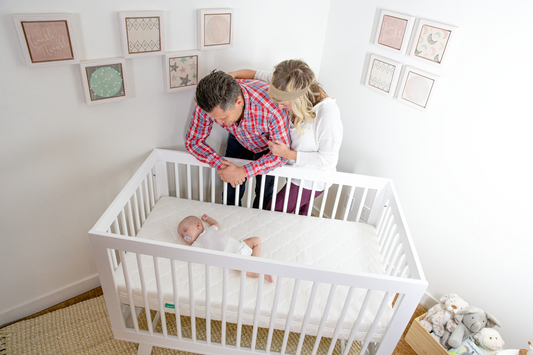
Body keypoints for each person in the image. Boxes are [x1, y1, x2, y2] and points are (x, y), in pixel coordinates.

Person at [229, 60, 343, 215]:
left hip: (312, 179)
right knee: (298, 218)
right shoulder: (284, 83)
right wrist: (231, 76)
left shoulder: (327, 114)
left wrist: (287, 154)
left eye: (283, 105)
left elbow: (327, 160)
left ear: (299, 100)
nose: (278, 108)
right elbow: (253, 74)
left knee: (272, 212)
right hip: (295, 172)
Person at [186, 70, 290, 209]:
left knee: (265, 194)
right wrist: (222, 165)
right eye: (213, 118)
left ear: (239, 102)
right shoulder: (207, 104)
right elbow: (193, 142)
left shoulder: (271, 108)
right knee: (230, 193)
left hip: (269, 148)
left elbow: (281, 155)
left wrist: (244, 172)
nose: (218, 123)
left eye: (223, 118)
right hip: (239, 140)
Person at [176, 214, 273, 282]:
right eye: (182, 235)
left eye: (185, 230)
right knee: (242, 268)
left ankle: (254, 259)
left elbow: (216, 224)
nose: (184, 236)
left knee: (257, 240)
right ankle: (261, 274)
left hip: (238, 245)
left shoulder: (209, 229)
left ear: (197, 225)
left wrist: (208, 218)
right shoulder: (196, 244)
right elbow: (192, 254)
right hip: (232, 256)